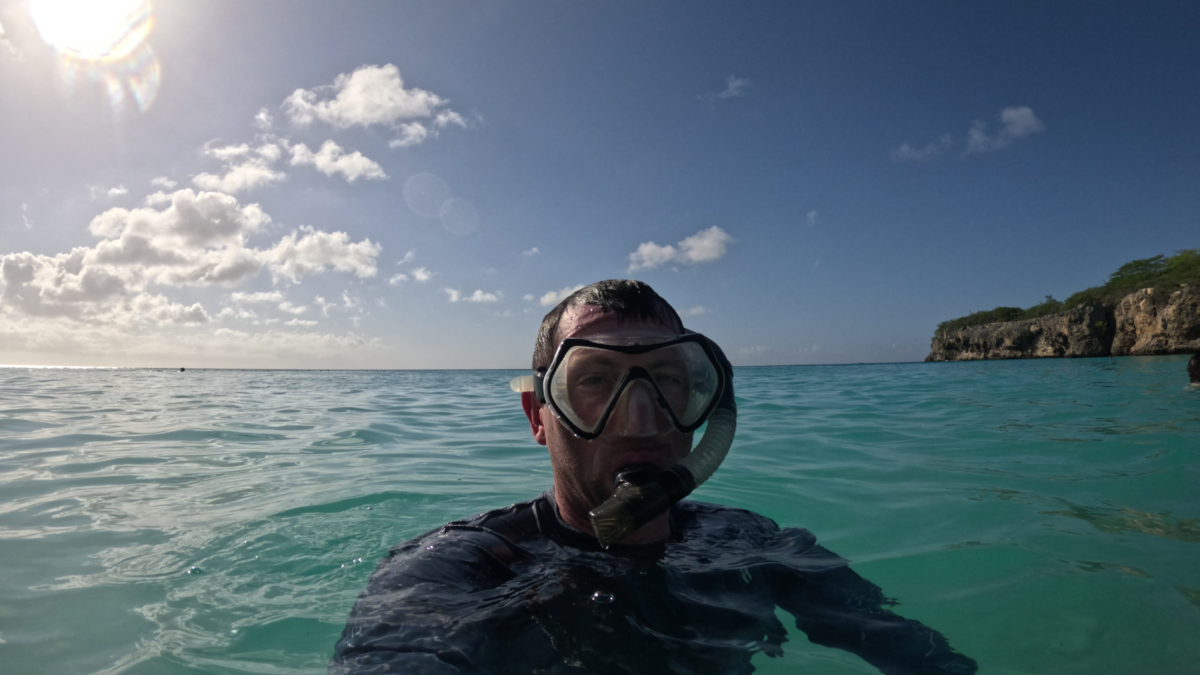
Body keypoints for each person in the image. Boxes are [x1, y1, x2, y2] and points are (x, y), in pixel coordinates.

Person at [330, 280, 977, 675]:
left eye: (668, 382)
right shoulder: (461, 570)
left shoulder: (751, 544)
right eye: (593, 383)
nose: (640, 420)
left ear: (706, 408)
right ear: (538, 415)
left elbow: (919, 657)